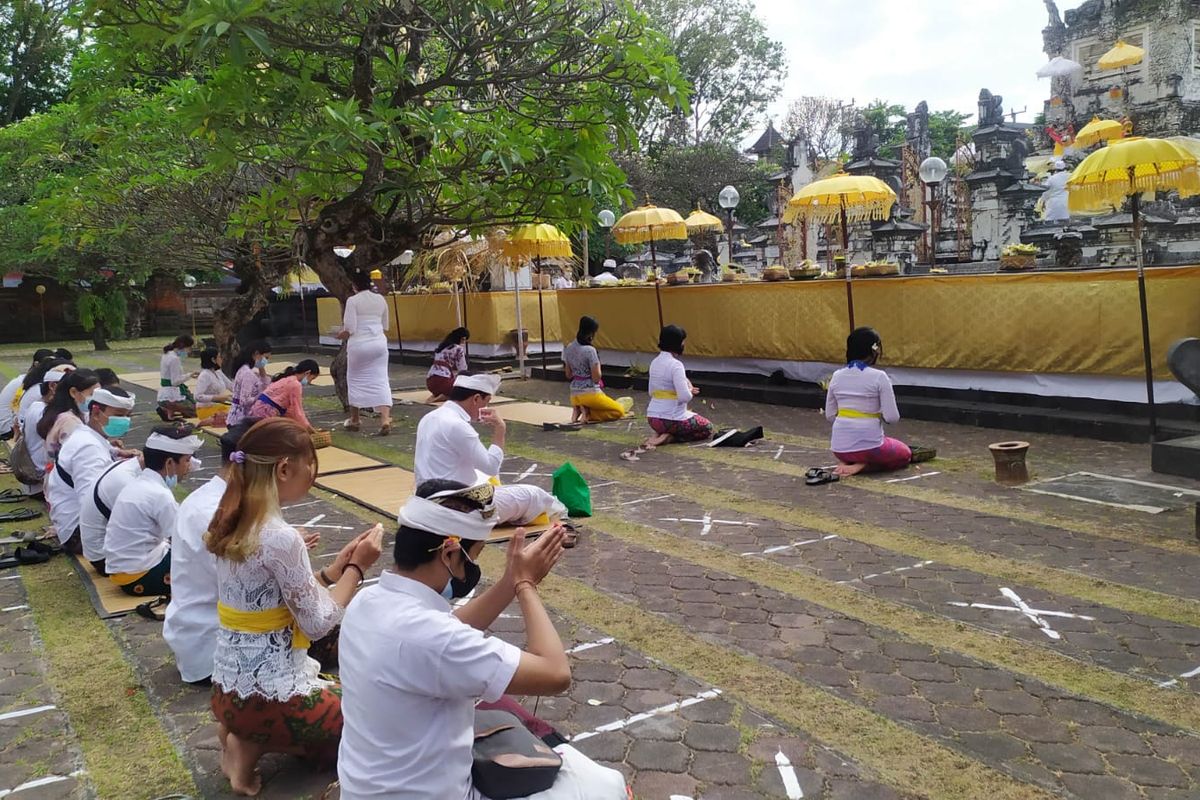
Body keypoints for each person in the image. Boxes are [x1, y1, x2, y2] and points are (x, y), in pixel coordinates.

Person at [337, 477, 627, 800]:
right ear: (449, 553)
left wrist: (510, 581)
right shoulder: (434, 639)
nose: (473, 566)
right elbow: (556, 674)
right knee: (607, 785)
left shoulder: (367, 601)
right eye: (473, 555)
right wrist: (525, 586)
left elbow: (448, 630)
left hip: (366, 791)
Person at [205, 418, 383, 796]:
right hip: (269, 699)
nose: (312, 478)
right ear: (285, 468)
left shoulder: (231, 520)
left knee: (337, 689)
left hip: (227, 690)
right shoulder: (281, 537)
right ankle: (252, 743)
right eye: (310, 468)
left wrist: (333, 572)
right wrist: (357, 568)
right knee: (374, 713)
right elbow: (319, 623)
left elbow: (271, 605)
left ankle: (241, 735)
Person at [415, 373, 566, 527]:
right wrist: (500, 429)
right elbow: (491, 467)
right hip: (456, 505)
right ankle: (557, 512)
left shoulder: (429, 417)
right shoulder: (458, 425)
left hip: (425, 498)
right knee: (533, 494)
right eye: (486, 402)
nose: (485, 408)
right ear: (475, 399)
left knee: (483, 477)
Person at [104, 424, 204, 597]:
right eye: (187, 460)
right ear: (170, 463)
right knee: (206, 568)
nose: (189, 467)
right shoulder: (159, 494)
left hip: (124, 570)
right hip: (139, 575)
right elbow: (182, 539)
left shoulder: (139, 483)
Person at [825, 327, 911, 477]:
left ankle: (850, 462)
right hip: (870, 448)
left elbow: (830, 415)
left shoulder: (837, 376)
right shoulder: (879, 377)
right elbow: (892, 418)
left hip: (839, 449)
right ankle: (864, 465)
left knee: (875, 445)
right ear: (874, 351)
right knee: (905, 454)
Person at [339, 270, 394, 436]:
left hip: (359, 344)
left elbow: (350, 328)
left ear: (354, 286)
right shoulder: (380, 299)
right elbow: (385, 325)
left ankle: (355, 419)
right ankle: (385, 419)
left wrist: (339, 334)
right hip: (378, 343)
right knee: (381, 379)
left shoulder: (353, 301)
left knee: (355, 380)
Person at [643, 325, 712, 446]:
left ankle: (659, 433)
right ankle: (670, 438)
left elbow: (651, 392)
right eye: (683, 342)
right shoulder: (676, 365)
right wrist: (690, 390)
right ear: (677, 344)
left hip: (652, 419)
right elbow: (684, 397)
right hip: (671, 419)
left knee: (690, 416)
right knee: (707, 427)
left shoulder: (654, 362)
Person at [81, 456, 142, 575]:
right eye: (185, 460)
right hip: (105, 558)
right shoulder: (127, 482)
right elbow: (142, 531)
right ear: (168, 462)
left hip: (99, 550)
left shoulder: (125, 466)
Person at [18, 363, 73, 497]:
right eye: (73, 388)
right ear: (53, 386)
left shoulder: (37, 406)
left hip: (38, 481)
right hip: (42, 484)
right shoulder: (47, 414)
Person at [563, 316, 630, 424]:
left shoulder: (569, 348)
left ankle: (579, 409)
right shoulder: (590, 350)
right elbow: (596, 378)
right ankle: (589, 413)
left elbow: (568, 374)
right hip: (590, 394)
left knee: (605, 406)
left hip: (574, 395)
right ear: (591, 333)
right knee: (619, 411)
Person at [244, 359, 321, 432]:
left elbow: (290, 410)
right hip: (266, 414)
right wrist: (308, 428)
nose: (310, 381)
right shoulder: (295, 384)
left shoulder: (286, 379)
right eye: (312, 378)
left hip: (259, 410)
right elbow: (297, 411)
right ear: (307, 373)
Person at [0, 349, 52, 440]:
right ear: (36, 364)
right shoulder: (25, 382)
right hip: (7, 428)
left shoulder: (28, 380)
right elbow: (15, 405)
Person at [226, 342, 272, 428]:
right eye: (265, 357)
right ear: (256, 354)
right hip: (241, 420)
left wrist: (261, 368)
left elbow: (265, 383)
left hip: (236, 417)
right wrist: (260, 396)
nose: (266, 361)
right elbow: (244, 401)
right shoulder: (248, 374)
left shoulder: (244, 369)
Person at [158, 335, 198, 420]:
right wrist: (189, 376)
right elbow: (175, 382)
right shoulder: (174, 359)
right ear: (183, 346)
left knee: (192, 402)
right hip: (172, 395)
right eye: (189, 348)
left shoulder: (166, 354)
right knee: (197, 411)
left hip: (164, 393)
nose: (189, 351)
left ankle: (169, 410)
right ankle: (168, 409)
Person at [426, 327, 470, 402]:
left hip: (430, 382)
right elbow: (463, 369)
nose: (464, 342)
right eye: (464, 340)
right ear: (462, 338)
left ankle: (437, 394)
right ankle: (445, 396)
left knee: (446, 384)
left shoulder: (441, 347)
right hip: (444, 381)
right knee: (466, 390)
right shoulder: (458, 348)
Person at [195, 347, 234, 423]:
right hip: (205, 409)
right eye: (219, 357)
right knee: (234, 415)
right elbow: (197, 396)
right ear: (213, 360)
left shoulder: (218, 372)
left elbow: (231, 386)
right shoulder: (205, 375)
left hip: (218, 406)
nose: (221, 359)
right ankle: (209, 420)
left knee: (239, 411)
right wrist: (218, 397)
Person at [1042, 159, 1070, 223]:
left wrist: (1043, 201)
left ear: (1055, 169)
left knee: (1051, 220)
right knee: (1066, 219)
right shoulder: (1070, 176)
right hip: (1067, 201)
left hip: (1054, 203)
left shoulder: (1051, 178)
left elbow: (1046, 191)